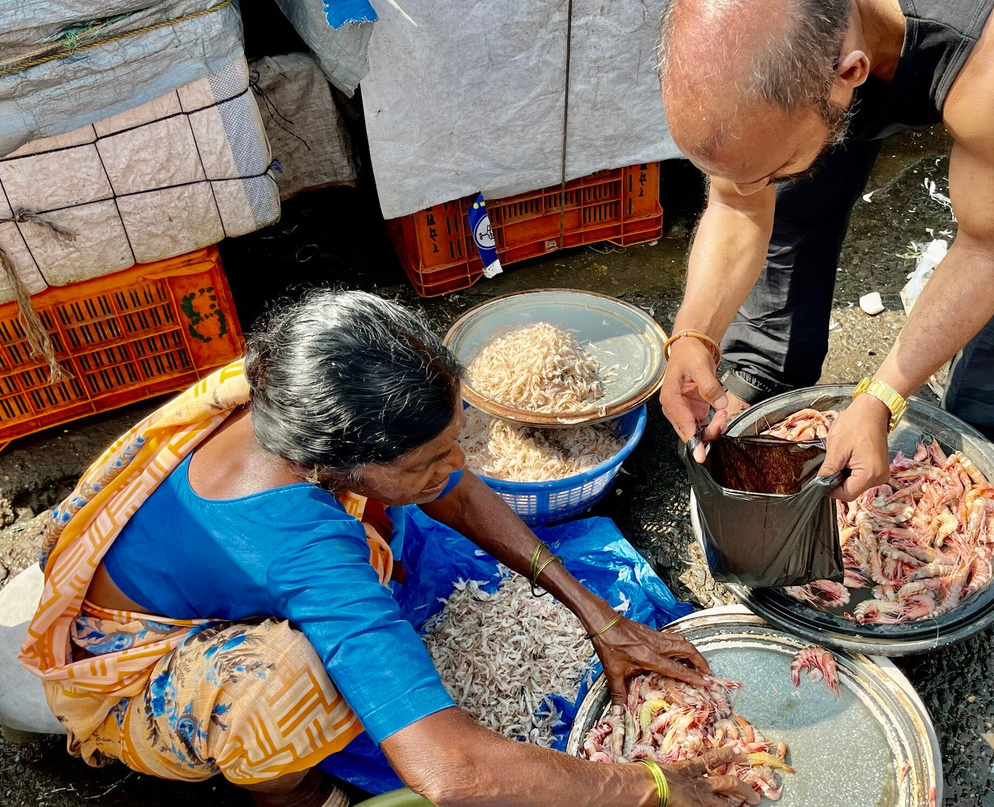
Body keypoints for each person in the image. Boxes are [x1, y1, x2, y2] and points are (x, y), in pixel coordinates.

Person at [19, 290, 760, 807]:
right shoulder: (305, 541)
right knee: (288, 683)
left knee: (408, 512)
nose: (457, 468)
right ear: (336, 462)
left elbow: (451, 487)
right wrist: (651, 786)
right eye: (426, 460)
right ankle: (299, 795)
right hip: (135, 662)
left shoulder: (296, 387)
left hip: (215, 562)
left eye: (453, 440)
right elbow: (449, 770)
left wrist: (598, 617)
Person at [657, 0, 994, 497]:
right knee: (790, 190)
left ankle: (990, 425)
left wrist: (881, 397)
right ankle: (766, 363)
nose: (748, 189)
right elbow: (736, 201)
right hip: (860, 38)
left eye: (766, 174)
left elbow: (988, 248)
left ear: (852, 73)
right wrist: (694, 334)